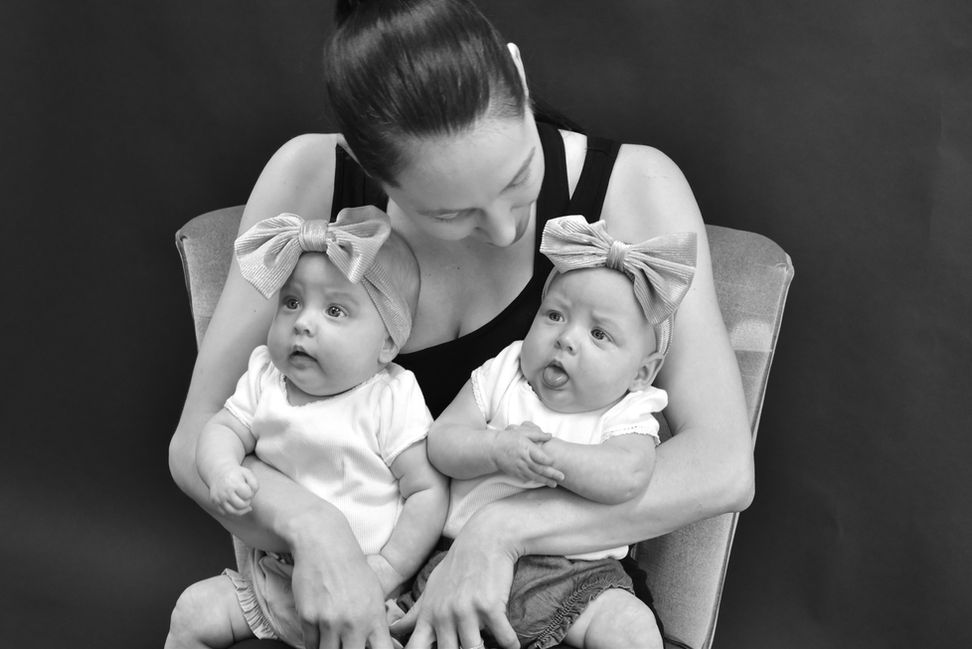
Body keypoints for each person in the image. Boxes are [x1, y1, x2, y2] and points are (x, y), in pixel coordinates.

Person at [168, 1, 754, 648]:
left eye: (519, 178)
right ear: (369, 168)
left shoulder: (633, 184)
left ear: (517, 74)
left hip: (549, 600)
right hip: (350, 604)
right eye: (450, 214)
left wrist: (501, 532)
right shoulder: (310, 177)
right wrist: (313, 529)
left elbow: (722, 464)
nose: (505, 230)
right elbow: (196, 442)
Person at [400, 214, 697, 649]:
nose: (566, 339)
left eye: (599, 334)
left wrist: (552, 455)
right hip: (459, 559)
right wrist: (494, 448)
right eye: (555, 315)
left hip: (576, 573)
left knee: (630, 626)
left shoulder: (628, 409)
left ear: (641, 373)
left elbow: (628, 475)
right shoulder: (506, 371)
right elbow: (442, 442)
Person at [166, 207, 448, 649]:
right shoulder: (265, 377)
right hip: (274, 581)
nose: (302, 322)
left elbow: (427, 491)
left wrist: (390, 568)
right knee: (192, 610)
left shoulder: (389, 397)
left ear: (388, 342)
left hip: (365, 599)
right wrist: (222, 470)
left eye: (335, 310)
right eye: (292, 302)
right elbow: (221, 429)